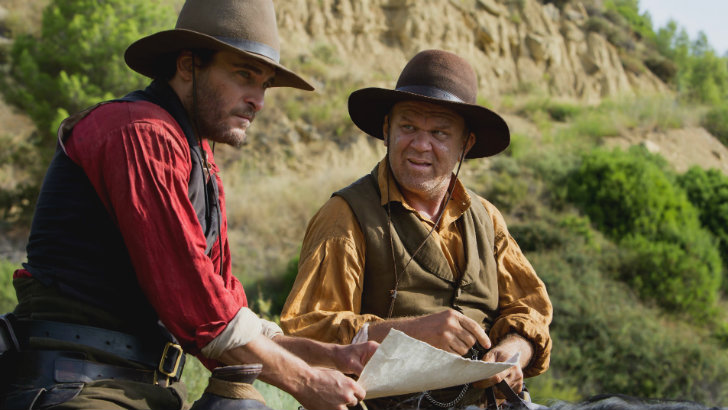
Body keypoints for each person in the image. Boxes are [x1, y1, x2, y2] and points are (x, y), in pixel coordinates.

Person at [0, 1, 377, 409]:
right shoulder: (140, 134)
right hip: (76, 384)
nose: (258, 100)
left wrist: (331, 357)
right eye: (244, 76)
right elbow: (203, 315)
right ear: (187, 66)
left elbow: (228, 314)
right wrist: (305, 382)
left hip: (146, 388)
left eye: (264, 84)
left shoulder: (196, 156)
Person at [280, 49, 553, 409]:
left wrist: (515, 350)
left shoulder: (487, 219)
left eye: (440, 133)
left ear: (464, 145)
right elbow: (307, 332)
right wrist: (408, 333)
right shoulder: (345, 216)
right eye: (408, 127)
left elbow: (529, 309)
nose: (421, 145)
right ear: (386, 131)